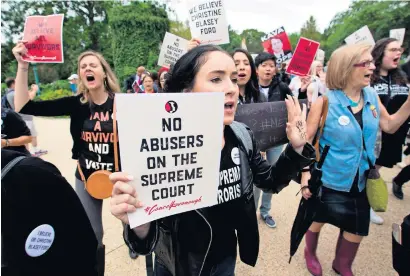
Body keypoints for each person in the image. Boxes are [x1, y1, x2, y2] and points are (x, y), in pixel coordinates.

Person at [110, 45, 315, 275]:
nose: (231, 89)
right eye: (217, 79)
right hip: (177, 265)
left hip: (224, 260)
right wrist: (137, 220)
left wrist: (296, 148)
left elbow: (269, 181)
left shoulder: (242, 135)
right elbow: (146, 241)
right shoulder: (157, 145)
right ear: (187, 92)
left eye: (234, 79)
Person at [11, 41, 139, 261]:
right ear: (81, 76)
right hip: (86, 177)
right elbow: (24, 107)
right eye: (83, 67)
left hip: (119, 177)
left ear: (104, 73)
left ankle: (134, 242)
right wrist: (23, 66)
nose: (87, 68)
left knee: (133, 224)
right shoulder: (76, 104)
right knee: (92, 234)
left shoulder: (123, 103)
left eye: (93, 65)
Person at [301, 43, 410, 276]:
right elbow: (306, 144)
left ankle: (342, 264)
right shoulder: (324, 102)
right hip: (328, 179)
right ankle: (310, 253)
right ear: (347, 68)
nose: (373, 66)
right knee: (316, 220)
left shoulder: (371, 95)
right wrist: (304, 177)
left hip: (361, 179)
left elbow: (389, 125)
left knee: (356, 229)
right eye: (367, 63)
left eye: (372, 62)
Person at [2, 148, 100, 275]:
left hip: (93, 168)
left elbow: (80, 243)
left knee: (96, 230)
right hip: (85, 169)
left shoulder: (33, 175)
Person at [370, 38, 409, 224]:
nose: (398, 53)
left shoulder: (402, 77)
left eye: (399, 50)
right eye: (393, 49)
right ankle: (365, 204)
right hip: (375, 134)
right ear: (380, 53)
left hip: (396, 134)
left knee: (378, 167)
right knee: (369, 169)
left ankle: (366, 203)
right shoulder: (369, 77)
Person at [253, 52, 293, 228]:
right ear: (257, 69)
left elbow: (293, 105)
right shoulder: (250, 87)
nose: (268, 69)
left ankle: (265, 211)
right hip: (255, 142)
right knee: (255, 176)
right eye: (264, 65)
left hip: (275, 141)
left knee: (272, 175)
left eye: (271, 65)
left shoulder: (282, 87)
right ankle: (251, 211)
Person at [5, 81, 48, 156]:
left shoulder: (10, 93)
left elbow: (25, 96)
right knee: (26, 136)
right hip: (24, 118)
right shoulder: (14, 94)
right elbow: (28, 99)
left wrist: (30, 91)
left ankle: (35, 150)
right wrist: (34, 90)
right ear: (13, 84)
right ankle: (28, 154)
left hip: (24, 117)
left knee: (33, 134)